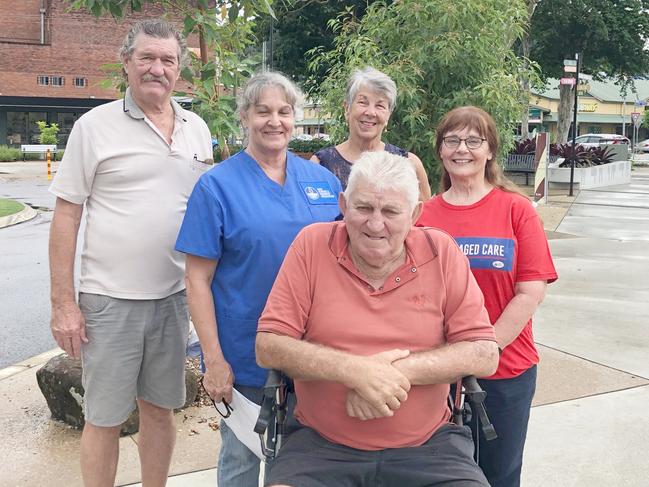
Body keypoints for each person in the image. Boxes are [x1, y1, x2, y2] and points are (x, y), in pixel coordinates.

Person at [256, 151, 499, 487]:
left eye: (390, 211)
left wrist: (390, 376)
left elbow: (484, 353)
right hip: (320, 446)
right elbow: (268, 346)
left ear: (415, 214)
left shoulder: (441, 252)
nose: (375, 223)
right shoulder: (311, 246)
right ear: (343, 204)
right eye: (364, 207)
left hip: (429, 447)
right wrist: (354, 371)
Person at [48, 20, 212, 487]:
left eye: (168, 60)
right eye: (147, 58)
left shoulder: (196, 129)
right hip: (109, 301)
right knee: (104, 418)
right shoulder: (93, 127)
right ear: (126, 63)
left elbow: (205, 213)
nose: (157, 69)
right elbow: (65, 218)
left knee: (161, 410)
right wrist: (64, 303)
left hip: (173, 299)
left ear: (179, 70)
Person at [175, 71, 342, 487]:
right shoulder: (216, 187)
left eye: (284, 112)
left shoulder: (323, 182)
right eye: (263, 111)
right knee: (241, 459)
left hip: (315, 352)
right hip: (243, 354)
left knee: (304, 464)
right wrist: (213, 361)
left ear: (295, 118)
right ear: (245, 116)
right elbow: (196, 280)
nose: (274, 121)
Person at [417, 106, 558, 487]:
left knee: (498, 474)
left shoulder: (516, 210)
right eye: (452, 140)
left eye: (473, 141)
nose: (462, 149)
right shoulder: (421, 217)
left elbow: (530, 292)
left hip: (505, 371)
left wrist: (482, 350)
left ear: (490, 150)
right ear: (441, 151)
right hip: (435, 374)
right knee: (436, 475)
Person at [311, 66, 431, 200]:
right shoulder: (320, 165)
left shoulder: (409, 164)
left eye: (380, 105)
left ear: (388, 116)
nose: (370, 112)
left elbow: (423, 217)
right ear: (347, 108)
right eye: (363, 102)